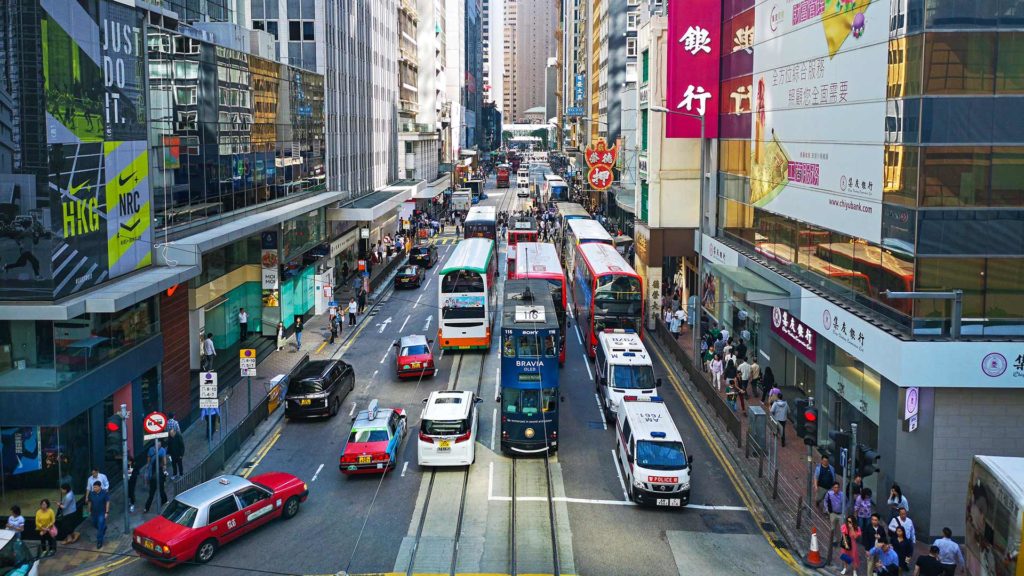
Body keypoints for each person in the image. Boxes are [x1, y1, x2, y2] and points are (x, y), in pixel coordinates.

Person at [144, 442, 168, 513]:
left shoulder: (162, 451)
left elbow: (164, 458)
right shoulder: (151, 450)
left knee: (154, 494)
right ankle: (165, 501)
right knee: (159, 492)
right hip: (156, 482)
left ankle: (146, 508)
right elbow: (149, 457)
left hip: (155, 482)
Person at [87, 480, 110, 549]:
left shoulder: (104, 493)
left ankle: (99, 541)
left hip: (101, 513)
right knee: (94, 524)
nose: (94, 489)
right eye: (93, 487)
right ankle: (104, 528)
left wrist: (107, 512)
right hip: (94, 513)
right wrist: (89, 511)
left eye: (95, 487)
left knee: (100, 526)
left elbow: (107, 502)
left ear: (100, 487)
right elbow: (89, 502)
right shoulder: (91, 493)